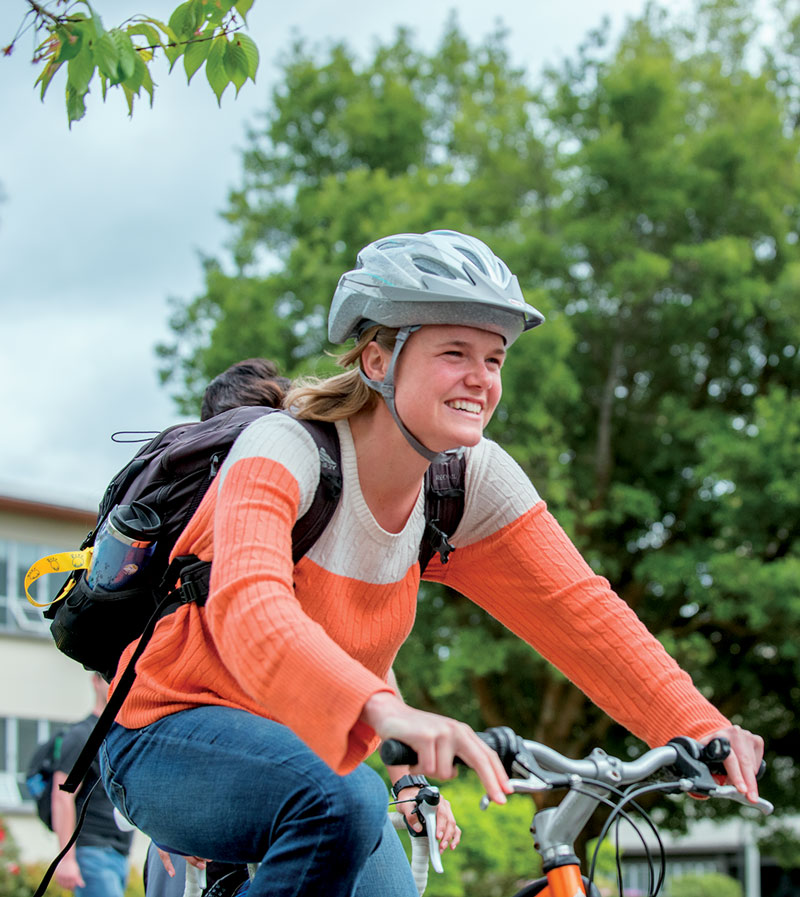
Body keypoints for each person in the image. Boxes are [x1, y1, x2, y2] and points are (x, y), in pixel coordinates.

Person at [99, 229, 763, 897]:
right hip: (168, 732)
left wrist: (699, 726)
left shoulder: (468, 482)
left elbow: (580, 610)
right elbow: (252, 608)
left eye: (494, 358)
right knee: (344, 798)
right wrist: (385, 711)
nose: (480, 377)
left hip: (323, 752)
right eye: (455, 352)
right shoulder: (281, 449)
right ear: (378, 359)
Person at [52, 674, 133, 897]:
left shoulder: (119, 734)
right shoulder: (83, 735)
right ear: (95, 682)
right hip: (92, 850)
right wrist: (66, 859)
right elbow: (62, 796)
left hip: (119, 851)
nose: (115, 684)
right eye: (108, 677)